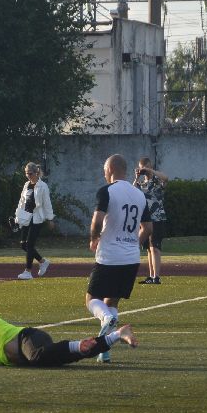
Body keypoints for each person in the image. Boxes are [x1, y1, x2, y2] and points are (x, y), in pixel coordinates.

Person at [85, 153, 150, 362]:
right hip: (131, 258)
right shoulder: (139, 194)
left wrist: (94, 239)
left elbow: (97, 221)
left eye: (104, 170)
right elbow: (148, 228)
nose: (104, 174)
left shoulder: (107, 191)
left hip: (109, 255)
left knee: (92, 300)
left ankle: (107, 318)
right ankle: (104, 350)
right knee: (112, 301)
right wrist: (133, 244)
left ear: (110, 169)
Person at [0, 308, 135, 367]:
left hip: (28, 338)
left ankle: (77, 345)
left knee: (37, 356)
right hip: (32, 357)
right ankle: (116, 335)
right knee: (71, 355)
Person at [13, 162, 54, 280]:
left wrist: (50, 219)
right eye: (26, 173)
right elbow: (22, 202)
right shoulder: (26, 185)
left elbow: (47, 203)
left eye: (30, 173)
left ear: (36, 173)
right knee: (23, 245)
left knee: (30, 245)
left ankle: (28, 271)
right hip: (25, 217)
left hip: (37, 218)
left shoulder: (43, 186)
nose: (28, 176)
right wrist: (17, 217)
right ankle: (43, 262)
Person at [134, 156, 168, 284]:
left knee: (155, 247)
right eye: (142, 168)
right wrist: (137, 177)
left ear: (151, 166)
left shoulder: (157, 181)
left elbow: (166, 178)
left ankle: (156, 277)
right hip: (145, 220)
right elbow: (131, 191)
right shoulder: (141, 184)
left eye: (146, 167)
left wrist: (151, 171)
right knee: (148, 249)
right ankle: (151, 275)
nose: (145, 170)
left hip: (157, 218)